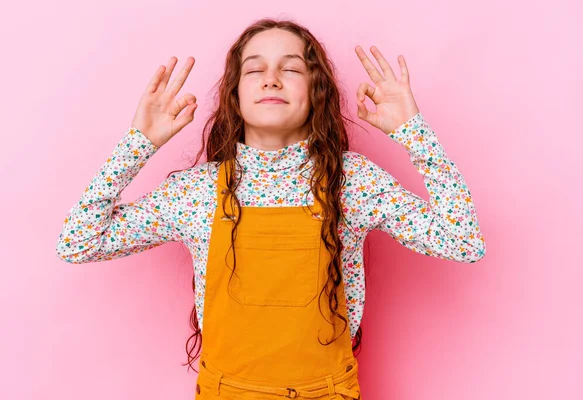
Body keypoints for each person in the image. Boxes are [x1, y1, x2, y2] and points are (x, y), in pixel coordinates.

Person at [55, 18, 485, 400]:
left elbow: (462, 240)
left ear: (318, 93)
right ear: (234, 95)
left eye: (292, 68)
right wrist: (138, 143)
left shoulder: (353, 182)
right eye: (255, 69)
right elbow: (77, 242)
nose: (272, 79)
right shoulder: (196, 192)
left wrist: (415, 133)